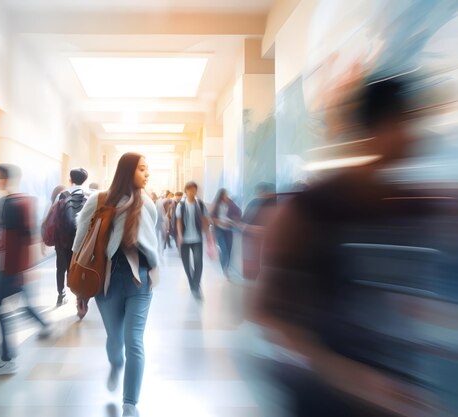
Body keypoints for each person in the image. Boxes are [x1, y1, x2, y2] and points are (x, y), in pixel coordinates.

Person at [252, 77, 445, 416]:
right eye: (407, 121)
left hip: (395, 391)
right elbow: (266, 311)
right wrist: (348, 377)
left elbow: (403, 301)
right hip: (327, 396)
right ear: (378, 128)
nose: (418, 134)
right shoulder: (314, 206)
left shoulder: (412, 206)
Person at [73, 153, 158, 417]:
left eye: (147, 169)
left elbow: (151, 241)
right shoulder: (98, 201)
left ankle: (130, 403)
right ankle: (115, 363)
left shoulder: (148, 204)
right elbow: (79, 244)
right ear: (127, 171)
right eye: (142, 169)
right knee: (115, 338)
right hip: (106, 280)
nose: (147, 174)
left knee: (134, 340)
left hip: (139, 280)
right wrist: (80, 290)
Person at [0, 164, 52, 377]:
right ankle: (9, 355)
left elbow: (8, 239)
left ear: (2, 179)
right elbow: (27, 237)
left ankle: (5, 360)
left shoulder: (7, 203)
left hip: (9, 268)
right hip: (18, 267)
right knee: (8, 309)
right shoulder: (24, 201)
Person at [54, 168, 88, 306]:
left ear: (70, 179)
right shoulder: (89, 196)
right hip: (81, 241)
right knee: (78, 268)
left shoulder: (62, 195)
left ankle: (61, 295)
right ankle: (79, 297)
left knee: (61, 268)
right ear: (85, 180)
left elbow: (54, 217)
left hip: (62, 240)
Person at [176, 181, 211, 301]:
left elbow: (205, 221)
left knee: (198, 263)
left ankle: (196, 286)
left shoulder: (200, 204)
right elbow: (179, 221)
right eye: (190, 189)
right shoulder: (181, 205)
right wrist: (180, 235)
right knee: (186, 264)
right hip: (185, 239)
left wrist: (208, 236)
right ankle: (192, 284)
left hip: (197, 239)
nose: (192, 191)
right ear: (186, 191)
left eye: (194, 189)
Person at [210, 188, 242, 277]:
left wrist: (233, 221)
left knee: (229, 248)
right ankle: (224, 269)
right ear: (220, 196)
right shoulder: (216, 205)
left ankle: (226, 267)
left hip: (228, 228)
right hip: (219, 229)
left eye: (227, 194)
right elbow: (211, 217)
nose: (226, 196)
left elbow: (239, 212)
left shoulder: (230, 204)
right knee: (224, 249)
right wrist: (219, 222)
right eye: (224, 195)